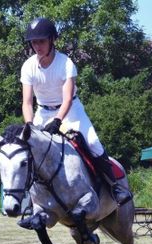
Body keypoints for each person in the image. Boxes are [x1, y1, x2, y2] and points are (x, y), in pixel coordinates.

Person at [20, 17, 131, 205]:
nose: (37, 46)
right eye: (34, 42)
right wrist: (30, 125)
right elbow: (27, 102)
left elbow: (67, 100)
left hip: (70, 111)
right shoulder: (28, 66)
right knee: (27, 149)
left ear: (51, 40)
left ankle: (115, 187)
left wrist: (57, 121)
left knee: (93, 142)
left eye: (41, 41)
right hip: (42, 112)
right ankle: (28, 201)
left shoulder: (66, 64)